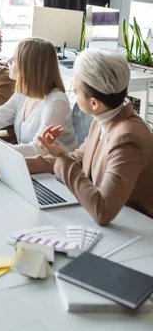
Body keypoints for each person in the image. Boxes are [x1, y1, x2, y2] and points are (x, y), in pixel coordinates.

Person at [23, 49, 153, 225]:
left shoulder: (128, 138)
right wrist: (20, 165)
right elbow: (78, 160)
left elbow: (103, 211)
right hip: (118, 224)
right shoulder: (104, 119)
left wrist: (61, 157)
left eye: (76, 92)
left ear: (94, 103)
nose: (74, 95)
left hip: (137, 232)